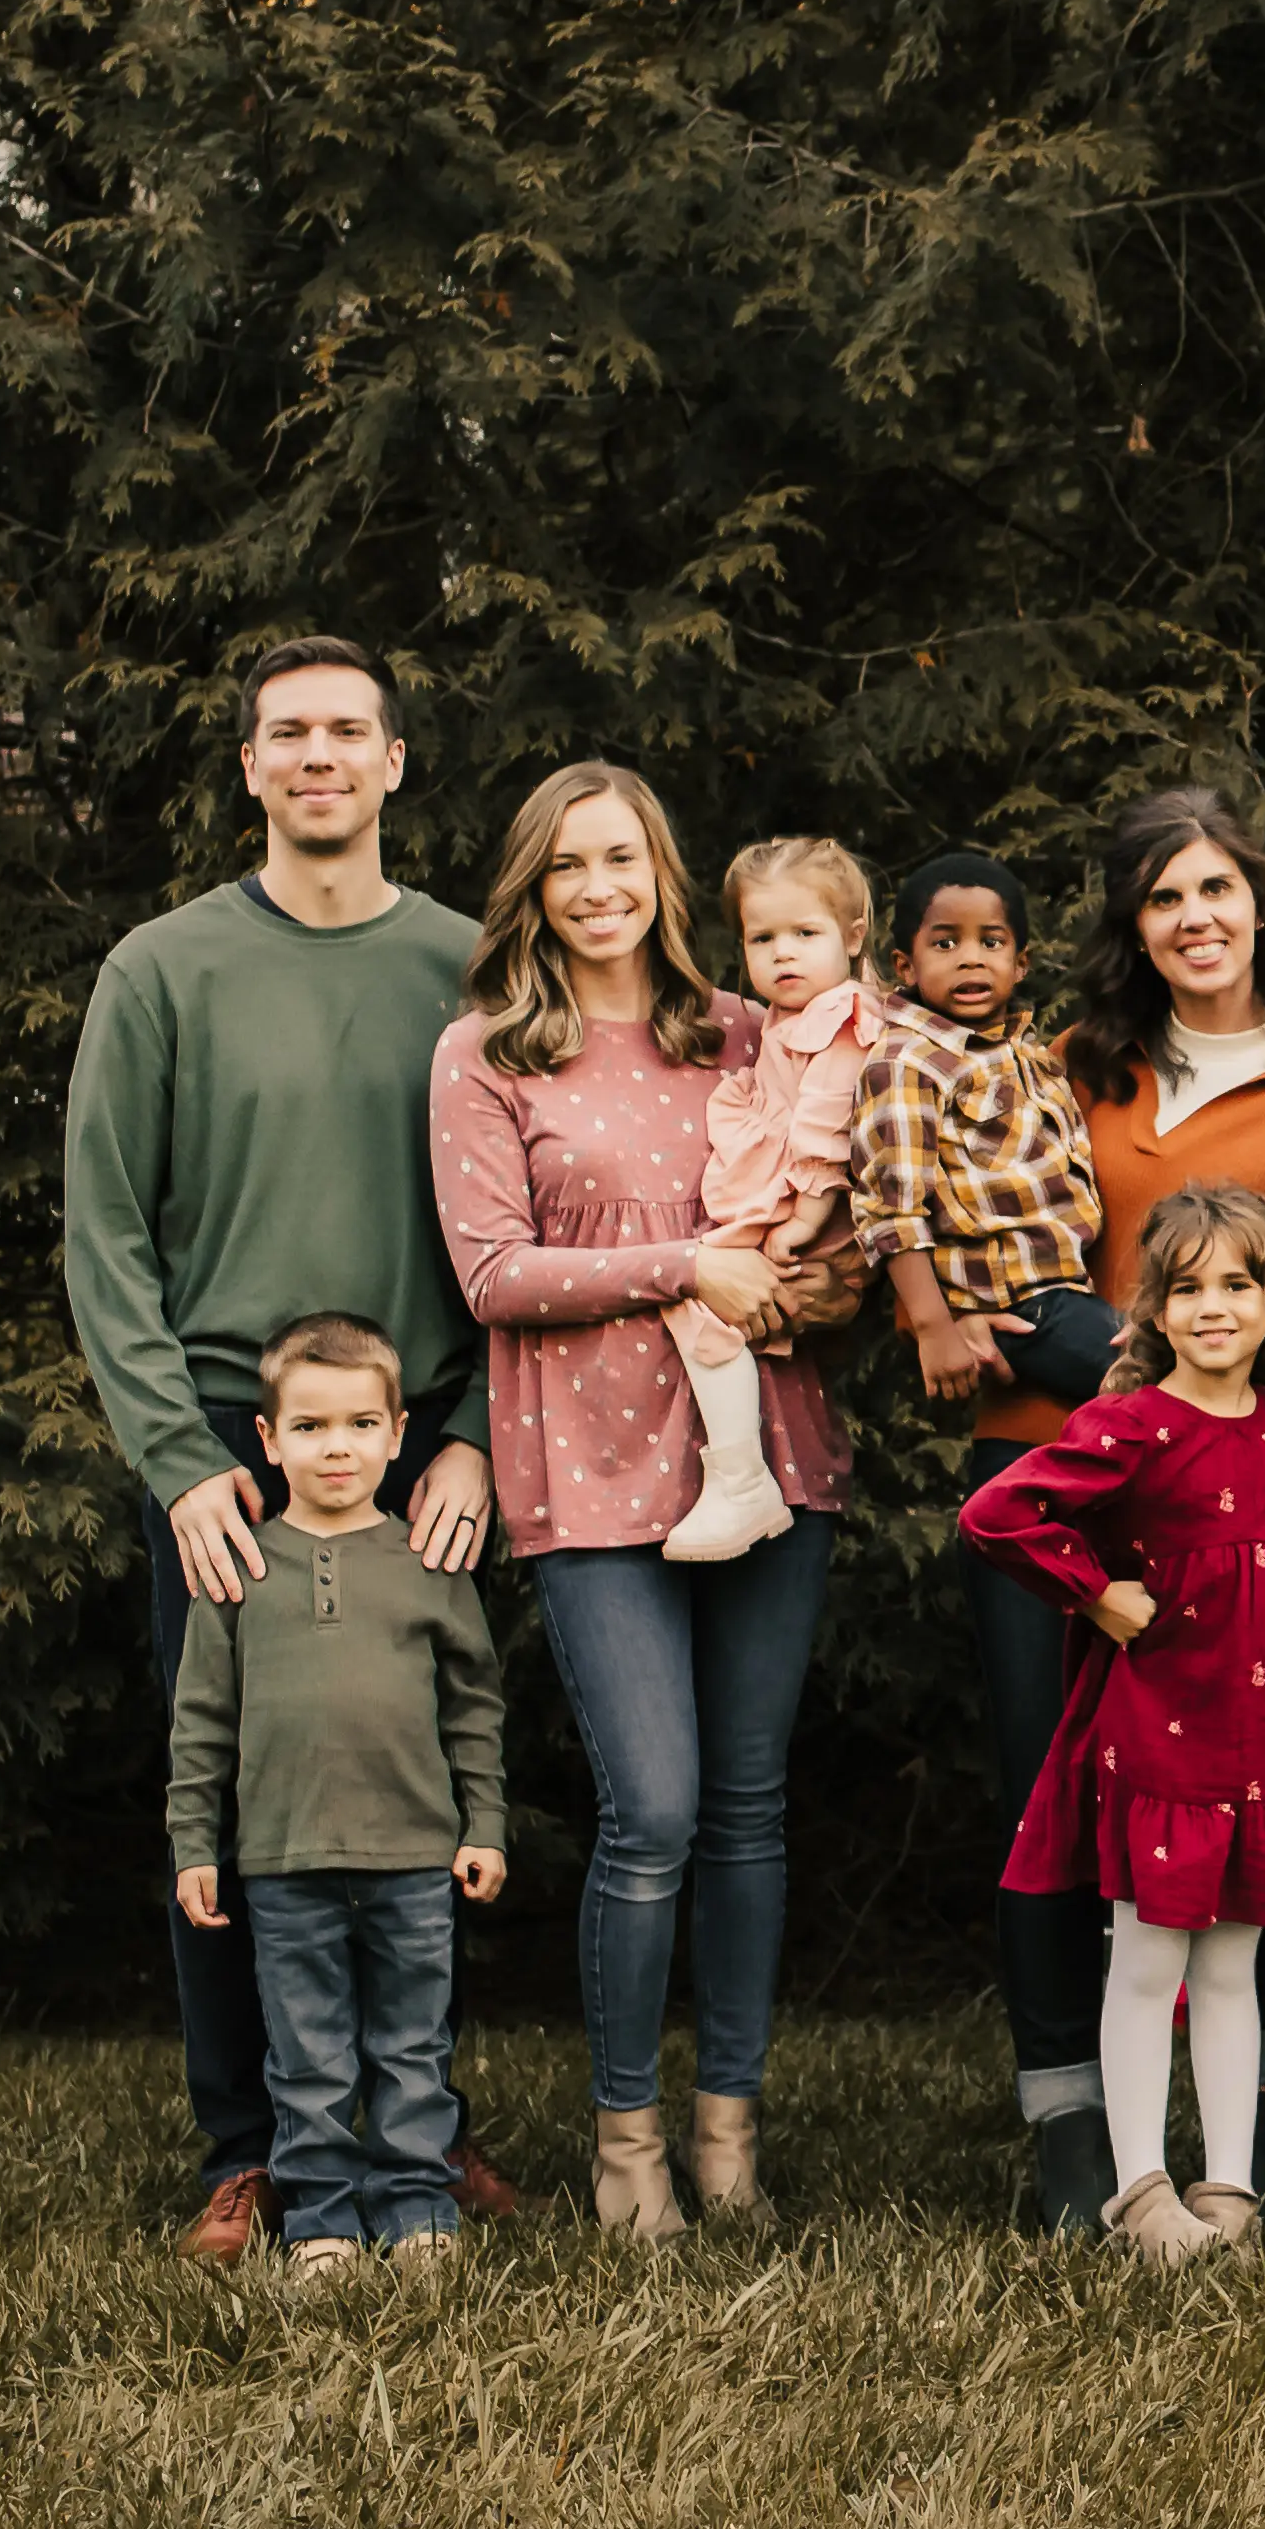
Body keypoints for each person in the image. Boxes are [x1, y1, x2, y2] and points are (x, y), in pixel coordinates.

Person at [60, 635, 507, 2257]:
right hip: (237, 1462)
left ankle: (417, 2135)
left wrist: (468, 1446)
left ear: (395, 763)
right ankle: (248, 2149)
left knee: (420, 1797)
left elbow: (529, 1216)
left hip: (418, 1458)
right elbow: (106, 1235)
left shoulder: (470, 967)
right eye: (287, 734)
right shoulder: (163, 970)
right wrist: (180, 1461)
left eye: (348, 731)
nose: (318, 756)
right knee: (249, 1804)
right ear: (248, 766)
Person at [427, 764, 850, 2238]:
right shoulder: (487, 1055)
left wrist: (822, 1282)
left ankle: (728, 2131)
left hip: (768, 1451)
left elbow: (828, 1199)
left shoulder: (742, 1031)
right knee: (653, 1807)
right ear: (533, 889)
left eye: (623, 859)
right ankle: (625, 2147)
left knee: (744, 1811)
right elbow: (491, 1273)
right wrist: (683, 1265)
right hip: (592, 1475)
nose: (599, 889)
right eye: (568, 867)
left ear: (666, 873)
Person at [972, 786, 1265, 2232]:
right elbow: (1003, 1272)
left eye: (1219, 890)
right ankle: (1079, 2135)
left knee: (1241, 1825)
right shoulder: (1070, 1066)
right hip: (1074, 1493)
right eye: (1164, 899)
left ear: (1261, 908)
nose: (1196, 920)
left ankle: (1243, 2137)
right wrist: (1139, 1369)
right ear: (1131, 928)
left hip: (1251, 1502)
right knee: (1066, 1813)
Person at [967, 1185, 1265, 2265]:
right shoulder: (1129, 1423)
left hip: (1262, 1728)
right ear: (1153, 1310)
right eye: (1188, 1289)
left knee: (1234, 1964)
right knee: (1146, 1959)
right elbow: (997, 1511)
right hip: (1160, 1726)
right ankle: (1139, 2187)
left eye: (1237, 1284)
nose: (1214, 1307)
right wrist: (1093, 1590)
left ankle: (1225, 2186)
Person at [163, 1316, 509, 2278]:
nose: (338, 1447)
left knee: (410, 2047)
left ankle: (415, 2214)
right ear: (267, 1441)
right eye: (310, 1427)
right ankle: (321, 2221)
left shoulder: (429, 1564)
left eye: (361, 1424)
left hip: (412, 1861)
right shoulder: (238, 1571)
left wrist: (486, 1825)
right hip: (284, 1865)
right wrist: (196, 1844)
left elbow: (474, 1707)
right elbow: (200, 1725)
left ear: (399, 1434)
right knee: (306, 2054)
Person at [660, 837, 886, 1566]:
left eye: (805, 934)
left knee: (693, 1291)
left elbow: (829, 1124)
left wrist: (805, 1220)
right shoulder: (787, 1019)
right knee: (705, 1299)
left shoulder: (842, 1016)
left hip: (805, 1206)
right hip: (789, 1196)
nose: (783, 954)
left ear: (852, 938)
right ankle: (738, 1474)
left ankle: (740, 1477)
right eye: (764, 938)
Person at [856, 852, 1123, 1424]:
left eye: (992, 942)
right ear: (905, 966)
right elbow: (891, 1212)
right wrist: (934, 1329)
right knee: (1154, 1383)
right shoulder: (905, 1064)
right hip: (1017, 1302)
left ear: (1021, 963)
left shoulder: (1029, 1055)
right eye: (946, 944)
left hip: (1070, 1293)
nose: (971, 958)